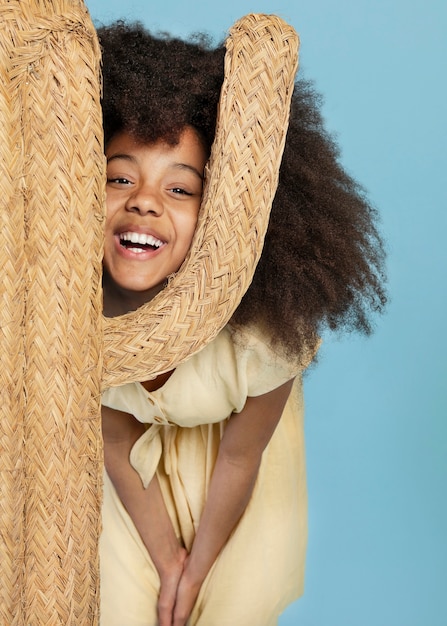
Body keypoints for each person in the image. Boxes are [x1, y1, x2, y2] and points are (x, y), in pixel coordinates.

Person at [97, 20, 386, 626]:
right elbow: (116, 441)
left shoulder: (263, 334)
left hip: (238, 470)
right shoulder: (72, 314)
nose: (143, 200)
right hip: (130, 475)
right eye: (120, 177)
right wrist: (166, 560)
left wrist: (194, 573)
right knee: (113, 605)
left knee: (231, 605)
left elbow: (239, 459)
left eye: (181, 188)